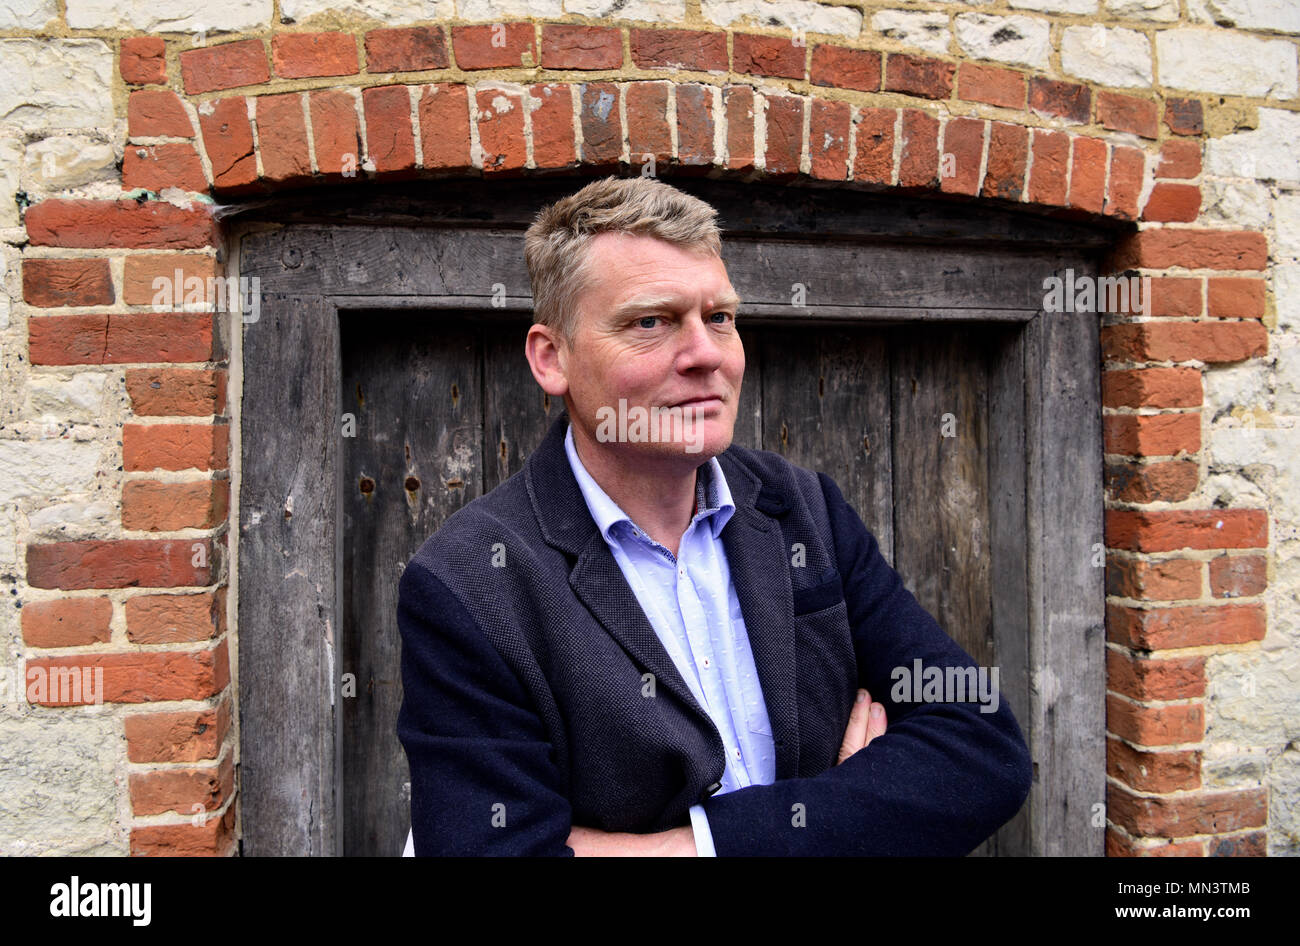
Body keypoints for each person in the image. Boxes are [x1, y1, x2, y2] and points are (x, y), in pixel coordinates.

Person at [396, 175, 1032, 856]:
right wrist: (852, 817)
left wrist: (697, 847)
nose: (705, 354)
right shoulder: (468, 585)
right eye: (652, 321)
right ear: (552, 358)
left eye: (720, 318)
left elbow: (984, 747)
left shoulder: (801, 509)